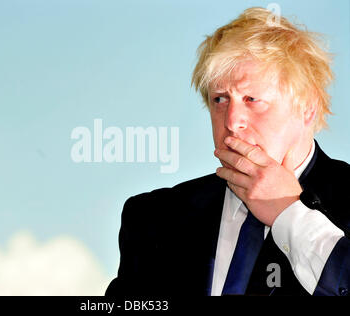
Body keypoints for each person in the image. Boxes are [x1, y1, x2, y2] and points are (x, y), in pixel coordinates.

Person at [105, 7, 350, 296]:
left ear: (306, 106)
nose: (232, 121)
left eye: (252, 98)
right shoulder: (154, 218)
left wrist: (288, 213)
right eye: (220, 99)